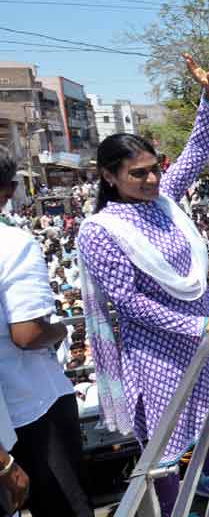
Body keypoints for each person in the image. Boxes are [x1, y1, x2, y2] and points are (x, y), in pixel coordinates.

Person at [76, 54, 209, 517]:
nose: (151, 179)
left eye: (153, 169)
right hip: (158, 353)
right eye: (138, 173)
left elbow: (193, 153)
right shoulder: (100, 230)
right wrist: (198, 323)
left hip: (203, 338)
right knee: (167, 450)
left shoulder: (165, 198)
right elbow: (128, 304)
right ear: (110, 176)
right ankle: (176, 507)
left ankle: (207, 480)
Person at [0, 150, 92, 517]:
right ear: (7, 190)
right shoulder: (12, 244)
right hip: (32, 406)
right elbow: (26, 333)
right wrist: (59, 330)